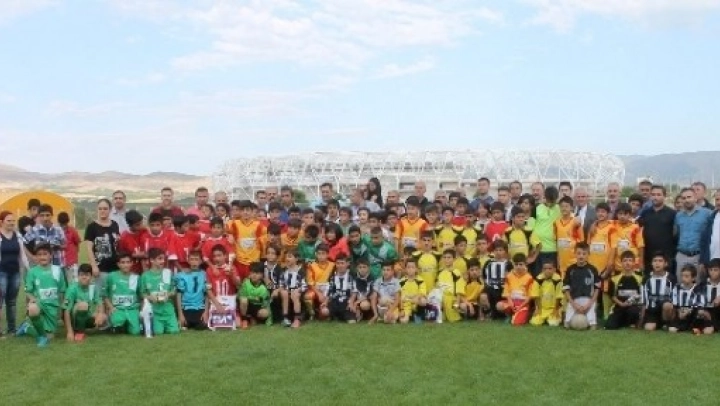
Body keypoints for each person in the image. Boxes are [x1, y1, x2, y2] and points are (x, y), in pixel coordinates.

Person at [17, 244, 66, 347]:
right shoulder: (32, 272)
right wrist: (32, 299)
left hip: (52, 306)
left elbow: (62, 290)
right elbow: (28, 291)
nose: (42, 257)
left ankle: (26, 328)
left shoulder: (57, 270)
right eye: (39, 254)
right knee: (33, 308)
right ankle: (42, 337)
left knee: (51, 336)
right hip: (40, 304)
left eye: (45, 254)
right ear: (36, 256)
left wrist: (61, 308)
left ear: (50, 255)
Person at [0, 211, 30, 335]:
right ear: (1, 222)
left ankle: (12, 329)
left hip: (15, 272)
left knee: (12, 302)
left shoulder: (17, 236)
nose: (12, 223)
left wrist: (29, 269)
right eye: (9, 221)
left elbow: (22, 255)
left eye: (13, 221)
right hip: (1, 272)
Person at [674, 187, 712, 279]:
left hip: (698, 256)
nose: (686, 200)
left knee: (698, 284)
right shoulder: (678, 216)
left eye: (689, 197)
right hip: (682, 255)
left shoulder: (707, 213)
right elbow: (676, 233)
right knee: (681, 283)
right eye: (684, 198)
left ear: (695, 198)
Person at [84, 199, 121, 293]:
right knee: (100, 295)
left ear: (110, 210)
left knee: (114, 293)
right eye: (100, 209)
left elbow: (117, 244)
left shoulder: (115, 225)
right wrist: (93, 266)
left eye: (105, 208)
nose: (102, 211)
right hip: (100, 268)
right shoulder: (92, 227)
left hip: (115, 268)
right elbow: (89, 248)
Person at [141, 248, 179, 336]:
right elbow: (142, 293)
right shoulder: (145, 276)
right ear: (151, 260)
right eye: (160, 259)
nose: (163, 261)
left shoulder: (168, 272)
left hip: (168, 309)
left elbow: (174, 290)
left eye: (163, 259)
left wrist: (168, 294)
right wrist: (150, 297)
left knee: (174, 331)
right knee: (158, 332)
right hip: (154, 310)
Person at [639, 185, 676, 276]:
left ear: (664, 196)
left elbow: (676, 233)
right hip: (648, 256)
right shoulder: (645, 213)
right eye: (653, 194)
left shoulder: (672, 213)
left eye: (658, 195)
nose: (655, 197)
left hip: (666, 256)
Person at [63, 264, 106, 342]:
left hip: (86, 314)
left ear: (91, 277)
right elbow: (66, 311)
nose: (84, 277)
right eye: (81, 275)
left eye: (87, 275)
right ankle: (79, 332)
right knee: (83, 305)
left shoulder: (93, 287)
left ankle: (84, 328)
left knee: (104, 317)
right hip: (73, 318)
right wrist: (69, 331)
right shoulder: (72, 288)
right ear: (78, 276)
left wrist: (100, 313)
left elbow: (100, 302)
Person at [563, 243, 601, 330]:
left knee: (592, 324)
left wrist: (589, 303)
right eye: (579, 253)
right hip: (574, 300)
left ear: (588, 254)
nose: (581, 256)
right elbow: (566, 289)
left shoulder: (593, 269)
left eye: (584, 254)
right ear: (575, 254)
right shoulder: (570, 269)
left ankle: (592, 323)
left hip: (588, 299)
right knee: (567, 324)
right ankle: (568, 321)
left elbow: (597, 289)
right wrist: (573, 303)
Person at [103, 252, 142, 335]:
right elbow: (104, 294)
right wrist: (110, 307)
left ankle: (128, 324)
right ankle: (118, 324)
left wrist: (140, 310)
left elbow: (140, 295)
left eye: (128, 262)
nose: (125, 265)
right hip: (117, 309)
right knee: (116, 325)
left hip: (132, 309)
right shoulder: (111, 276)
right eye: (123, 262)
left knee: (136, 332)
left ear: (132, 263)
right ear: (118, 264)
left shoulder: (136, 277)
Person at [226, 200, 266, 279]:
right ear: (240, 212)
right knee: (239, 283)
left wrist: (260, 242)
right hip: (239, 261)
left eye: (247, 210)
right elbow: (226, 233)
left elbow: (266, 238)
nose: (245, 212)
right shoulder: (234, 224)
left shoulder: (258, 225)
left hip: (254, 262)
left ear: (252, 211)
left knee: (252, 283)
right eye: (242, 210)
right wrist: (229, 235)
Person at [604, 251, 643, 330]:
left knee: (633, 311)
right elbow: (612, 296)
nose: (627, 263)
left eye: (630, 260)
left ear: (634, 262)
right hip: (619, 306)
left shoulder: (640, 278)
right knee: (609, 326)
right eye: (625, 261)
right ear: (621, 263)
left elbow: (641, 295)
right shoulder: (614, 278)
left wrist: (631, 302)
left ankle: (632, 322)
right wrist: (621, 304)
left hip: (633, 306)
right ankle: (622, 322)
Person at [641, 252, 675, 331]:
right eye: (655, 261)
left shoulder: (671, 278)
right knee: (648, 328)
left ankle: (666, 323)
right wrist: (642, 318)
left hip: (665, 309)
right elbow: (644, 299)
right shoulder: (647, 278)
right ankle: (658, 324)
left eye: (660, 261)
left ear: (665, 264)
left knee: (667, 305)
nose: (657, 263)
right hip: (652, 310)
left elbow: (674, 297)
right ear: (651, 263)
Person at [497, 253, 533, 326]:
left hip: (523, 303)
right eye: (516, 264)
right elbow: (506, 292)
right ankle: (510, 315)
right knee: (499, 305)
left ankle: (524, 314)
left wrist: (520, 306)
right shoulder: (509, 276)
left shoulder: (529, 278)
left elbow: (529, 296)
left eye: (521, 264)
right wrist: (510, 302)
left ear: (525, 264)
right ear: (513, 265)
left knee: (516, 323)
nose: (518, 267)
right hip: (512, 301)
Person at [175, 251, 207, 330]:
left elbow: (207, 294)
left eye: (196, 259)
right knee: (184, 325)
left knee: (201, 326)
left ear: (201, 261)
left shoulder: (204, 274)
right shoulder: (182, 275)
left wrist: (206, 312)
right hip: (186, 307)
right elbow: (178, 294)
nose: (194, 262)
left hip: (199, 307)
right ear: (188, 261)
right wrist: (180, 314)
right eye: (192, 259)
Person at [533, 186, 561, 276]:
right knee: (539, 276)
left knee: (552, 277)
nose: (550, 203)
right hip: (539, 250)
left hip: (553, 250)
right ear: (545, 197)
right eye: (549, 200)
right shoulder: (536, 208)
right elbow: (531, 226)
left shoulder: (560, 209)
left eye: (553, 201)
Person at [480, 240, 511, 320]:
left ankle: (504, 314)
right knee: (483, 296)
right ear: (493, 251)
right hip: (490, 288)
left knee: (499, 307)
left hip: (503, 289)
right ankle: (488, 312)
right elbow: (484, 276)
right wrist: (486, 285)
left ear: (505, 251)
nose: (498, 252)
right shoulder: (488, 263)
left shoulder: (508, 264)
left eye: (500, 250)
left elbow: (511, 279)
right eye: (496, 250)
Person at [669, 264, 705, 334]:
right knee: (672, 329)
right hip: (681, 312)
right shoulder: (677, 288)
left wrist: (688, 311)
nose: (683, 278)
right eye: (682, 276)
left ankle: (695, 327)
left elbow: (699, 303)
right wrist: (679, 311)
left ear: (693, 278)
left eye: (686, 276)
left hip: (692, 313)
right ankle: (679, 326)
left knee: (700, 312)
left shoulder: (698, 289)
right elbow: (674, 302)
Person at [555, 196, 584, 277]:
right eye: (562, 206)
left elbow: (582, 242)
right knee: (564, 282)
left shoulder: (576, 222)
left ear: (571, 207)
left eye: (566, 206)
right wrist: (558, 258)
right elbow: (557, 241)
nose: (564, 208)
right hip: (562, 261)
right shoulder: (556, 222)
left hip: (574, 261)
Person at [304, 244, 334, 319]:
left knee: (324, 313)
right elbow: (310, 283)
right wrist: (319, 293)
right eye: (319, 254)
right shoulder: (311, 266)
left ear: (327, 254)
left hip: (328, 288)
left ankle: (324, 313)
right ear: (316, 254)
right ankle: (312, 314)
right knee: (308, 296)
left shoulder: (333, 265)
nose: (321, 256)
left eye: (323, 254)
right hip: (316, 288)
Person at [529, 260, 563, 327]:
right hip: (542, 308)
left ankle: (552, 318)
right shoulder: (538, 279)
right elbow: (536, 295)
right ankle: (543, 318)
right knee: (534, 323)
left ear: (554, 270)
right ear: (542, 270)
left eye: (550, 268)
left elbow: (559, 297)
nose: (547, 271)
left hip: (553, 308)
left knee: (553, 324)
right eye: (545, 269)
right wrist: (538, 309)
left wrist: (556, 310)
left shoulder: (558, 280)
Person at [435, 250, 466, 323]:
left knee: (453, 320)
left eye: (449, 257)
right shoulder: (440, 272)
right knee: (440, 319)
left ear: (454, 259)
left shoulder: (456, 272)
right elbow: (438, 288)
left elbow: (459, 290)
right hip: (442, 299)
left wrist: (457, 303)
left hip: (452, 299)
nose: (446, 260)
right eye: (444, 257)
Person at [239, 262, 271, 328]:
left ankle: (252, 318)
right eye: (252, 273)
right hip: (245, 306)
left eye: (257, 273)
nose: (254, 275)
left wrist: (269, 321)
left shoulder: (263, 289)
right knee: (244, 300)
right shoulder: (245, 283)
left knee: (265, 313)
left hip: (256, 307)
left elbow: (266, 304)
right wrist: (253, 298)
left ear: (262, 275)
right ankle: (244, 319)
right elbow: (240, 296)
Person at [279, 250, 306, 328]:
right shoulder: (284, 270)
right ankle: (285, 318)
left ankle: (297, 319)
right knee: (284, 293)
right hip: (287, 290)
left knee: (295, 294)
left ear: (296, 259)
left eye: (290, 257)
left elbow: (304, 285)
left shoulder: (300, 270)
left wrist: (298, 289)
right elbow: (281, 283)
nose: (287, 259)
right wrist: (282, 289)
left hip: (297, 291)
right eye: (286, 257)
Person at [326, 254, 356, 323]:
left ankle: (348, 314)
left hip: (346, 302)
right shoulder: (332, 276)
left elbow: (354, 292)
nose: (340, 265)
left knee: (352, 322)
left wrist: (351, 302)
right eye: (338, 263)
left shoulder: (352, 276)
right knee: (324, 311)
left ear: (347, 264)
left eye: (342, 263)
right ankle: (336, 315)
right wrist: (325, 302)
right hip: (335, 302)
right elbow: (329, 292)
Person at [399, 259, 427, 323]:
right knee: (403, 321)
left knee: (423, 301)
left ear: (416, 269)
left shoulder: (420, 280)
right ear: (405, 269)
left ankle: (418, 314)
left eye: (412, 267)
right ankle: (410, 316)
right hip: (406, 305)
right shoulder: (401, 281)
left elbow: (422, 293)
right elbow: (400, 296)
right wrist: (401, 309)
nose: (410, 269)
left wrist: (416, 297)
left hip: (415, 303)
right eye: (408, 267)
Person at [699, 189, 720, 271]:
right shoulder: (711, 217)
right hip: (712, 261)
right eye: (717, 199)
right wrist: (702, 261)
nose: (718, 202)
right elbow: (704, 241)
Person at [58, 212, 80, 283]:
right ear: (59, 223)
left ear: (67, 222)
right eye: (62, 224)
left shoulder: (72, 230)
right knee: (63, 284)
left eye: (65, 224)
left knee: (73, 283)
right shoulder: (56, 231)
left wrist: (75, 256)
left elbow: (77, 242)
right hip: (60, 262)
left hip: (71, 262)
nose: (64, 226)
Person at [699, 258, 720, 334]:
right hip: (707, 309)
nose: (713, 272)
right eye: (711, 270)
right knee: (700, 312)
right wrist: (703, 309)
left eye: (715, 270)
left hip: (718, 310)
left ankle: (713, 326)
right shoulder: (703, 284)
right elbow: (698, 299)